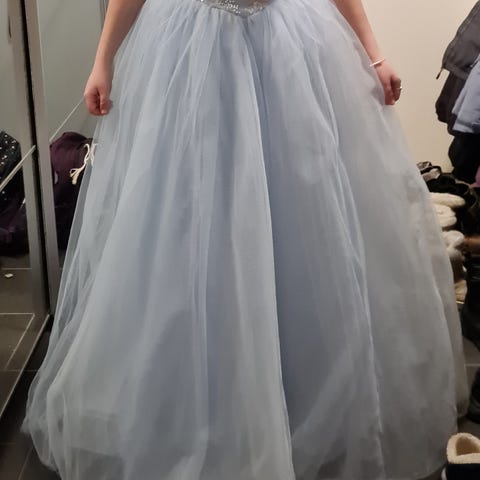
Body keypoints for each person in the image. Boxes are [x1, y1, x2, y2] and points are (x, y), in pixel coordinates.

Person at [23, 0, 468, 479]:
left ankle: (301, 398)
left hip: (286, 46)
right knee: (188, 224)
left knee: (300, 226)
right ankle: (196, 404)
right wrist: (103, 59)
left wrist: (374, 55)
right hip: (190, 49)